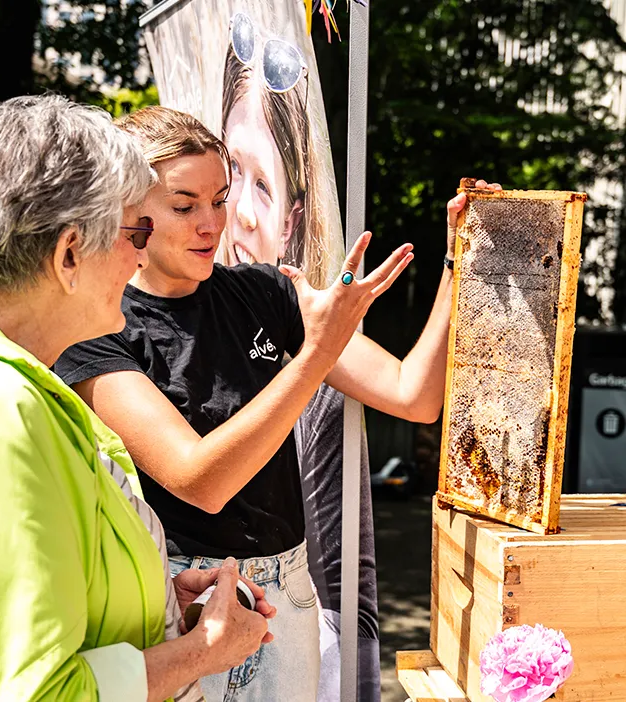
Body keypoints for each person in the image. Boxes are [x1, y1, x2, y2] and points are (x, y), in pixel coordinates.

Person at [54, 105, 499, 701]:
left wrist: (458, 258)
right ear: (125, 211)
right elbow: (200, 478)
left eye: (220, 197)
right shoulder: (97, 326)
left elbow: (411, 395)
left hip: (289, 593)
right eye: (184, 206)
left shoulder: (261, 291)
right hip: (184, 601)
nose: (212, 223)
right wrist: (316, 354)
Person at [0, 94, 275, 702]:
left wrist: (156, 603)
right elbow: (24, 691)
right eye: (134, 229)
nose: (140, 252)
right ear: (68, 255)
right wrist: (200, 651)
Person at [218, 18, 380, 699]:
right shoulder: (136, 333)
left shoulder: (310, 351)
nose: (233, 212)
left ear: (293, 217)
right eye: (228, 175)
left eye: (261, 183)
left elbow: (415, 397)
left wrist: (461, 262)